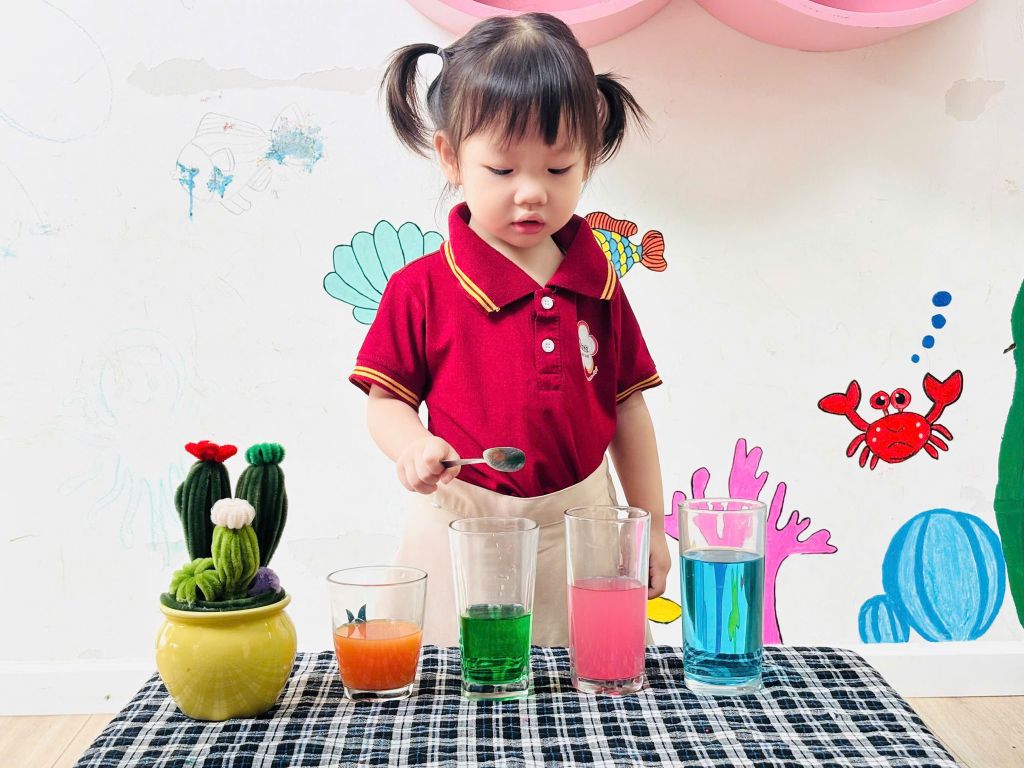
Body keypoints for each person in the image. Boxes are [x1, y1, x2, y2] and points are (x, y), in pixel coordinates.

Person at [349, 12, 669, 646]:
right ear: (451, 157)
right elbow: (386, 402)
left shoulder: (599, 281)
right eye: (502, 170)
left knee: (593, 684)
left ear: (588, 160)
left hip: (584, 528)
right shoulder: (422, 288)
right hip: (461, 530)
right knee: (455, 686)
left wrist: (651, 527)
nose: (531, 193)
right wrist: (413, 445)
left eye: (558, 169)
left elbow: (628, 410)